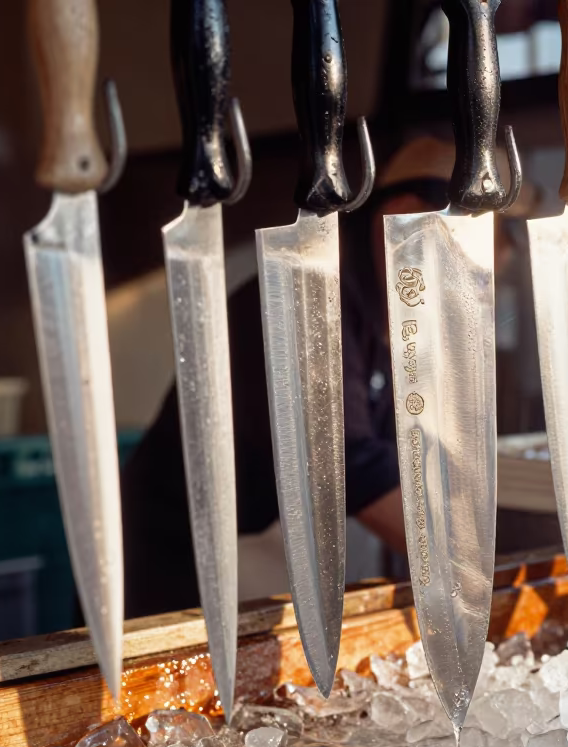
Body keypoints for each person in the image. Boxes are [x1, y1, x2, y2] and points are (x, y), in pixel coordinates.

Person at [122, 137, 527, 619]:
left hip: (272, 560)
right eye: (467, 257)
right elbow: (351, 463)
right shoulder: (308, 301)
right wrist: (482, 578)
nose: (468, 286)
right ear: (402, 217)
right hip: (184, 565)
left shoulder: (395, 317)